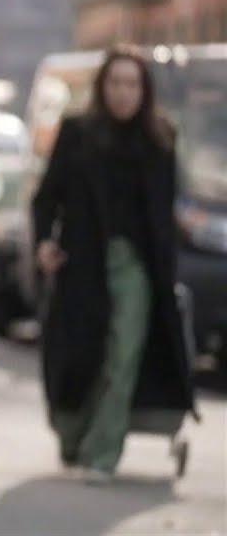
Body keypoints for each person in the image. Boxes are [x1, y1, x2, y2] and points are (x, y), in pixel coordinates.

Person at [32, 45, 196, 485]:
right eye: (116, 83)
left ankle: (103, 453)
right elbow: (47, 198)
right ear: (103, 88)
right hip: (83, 262)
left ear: (144, 91)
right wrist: (45, 242)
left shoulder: (161, 139)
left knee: (124, 353)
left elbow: (165, 205)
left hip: (139, 267)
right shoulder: (76, 134)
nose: (124, 93)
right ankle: (73, 437)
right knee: (79, 355)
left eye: (132, 84)